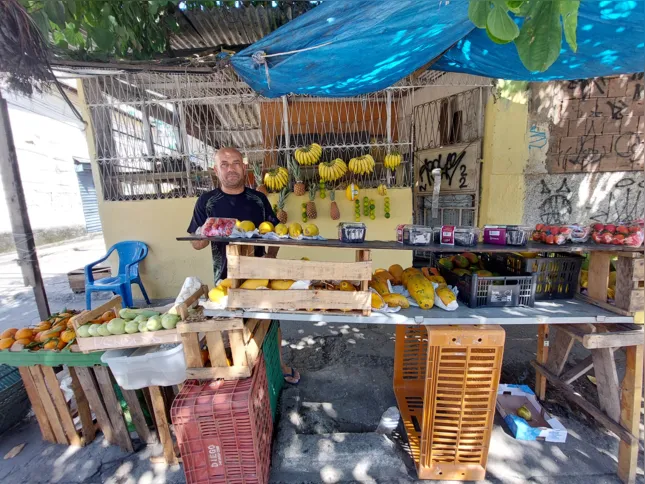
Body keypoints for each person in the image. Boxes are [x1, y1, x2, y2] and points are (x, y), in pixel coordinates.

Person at [188, 147, 300, 384]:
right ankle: (244, 372)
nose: (231, 168)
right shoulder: (207, 202)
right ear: (216, 170)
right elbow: (196, 244)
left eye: (236, 162)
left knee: (270, 322)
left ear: (245, 167)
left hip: (259, 275)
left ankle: (278, 365)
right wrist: (207, 230)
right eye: (225, 164)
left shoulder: (258, 199)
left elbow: (275, 233)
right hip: (225, 277)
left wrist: (271, 256)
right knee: (234, 327)